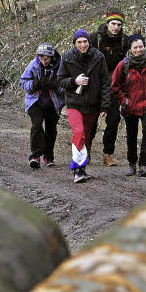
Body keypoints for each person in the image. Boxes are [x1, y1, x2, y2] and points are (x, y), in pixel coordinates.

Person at [57, 29, 112, 183]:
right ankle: (77, 169)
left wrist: (104, 106)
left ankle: (82, 169)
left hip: (92, 105)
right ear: (74, 44)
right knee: (79, 132)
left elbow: (106, 83)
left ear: (89, 42)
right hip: (74, 103)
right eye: (79, 42)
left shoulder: (98, 57)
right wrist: (75, 81)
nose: (82, 45)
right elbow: (60, 80)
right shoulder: (67, 58)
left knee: (87, 137)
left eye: (85, 41)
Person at [111, 34, 146, 176]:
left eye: (141, 46)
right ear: (130, 48)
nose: (139, 50)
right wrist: (124, 101)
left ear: (144, 46)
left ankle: (143, 165)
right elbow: (115, 86)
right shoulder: (123, 65)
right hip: (130, 106)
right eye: (135, 47)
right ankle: (131, 165)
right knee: (131, 135)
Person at [90, 10, 127, 167]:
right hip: (95, 87)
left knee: (113, 120)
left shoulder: (125, 41)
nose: (116, 27)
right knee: (91, 121)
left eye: (119, 24)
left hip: (113, 88)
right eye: (113, 24)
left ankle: (107, 154)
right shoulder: (94, 38)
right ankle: (86, 150)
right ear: (107, 23)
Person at [20, 43, 64, 169]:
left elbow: (65, 85)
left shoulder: (59, 66)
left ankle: (48, 156)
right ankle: (35, 155)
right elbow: (24, 81)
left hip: (53, 102)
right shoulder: (33, 65)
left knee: (51, 129)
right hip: (35, 101)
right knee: (37, 125)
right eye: (41, 58)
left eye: (46, 59)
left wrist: (54, 85)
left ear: (51, 57)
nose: (43, 61)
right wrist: (34, 85)